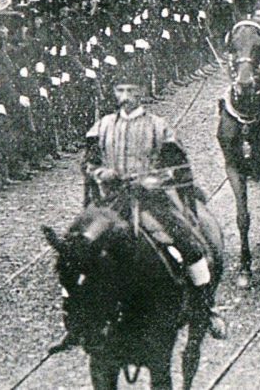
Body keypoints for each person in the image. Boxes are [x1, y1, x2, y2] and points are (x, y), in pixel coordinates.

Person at [83, 79, 227, 339]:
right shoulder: (102, 127)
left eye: (131, 91)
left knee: (190, 245)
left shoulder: (158, 127)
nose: (125, 97)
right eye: (120, 91)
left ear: (141, 94)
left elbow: (179, 167)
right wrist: (102, 173)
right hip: (113, 202)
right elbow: (89, 165)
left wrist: (155, 179)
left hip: (151, 201)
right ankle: (83, 315)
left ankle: (206, 310)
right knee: (81, 248)